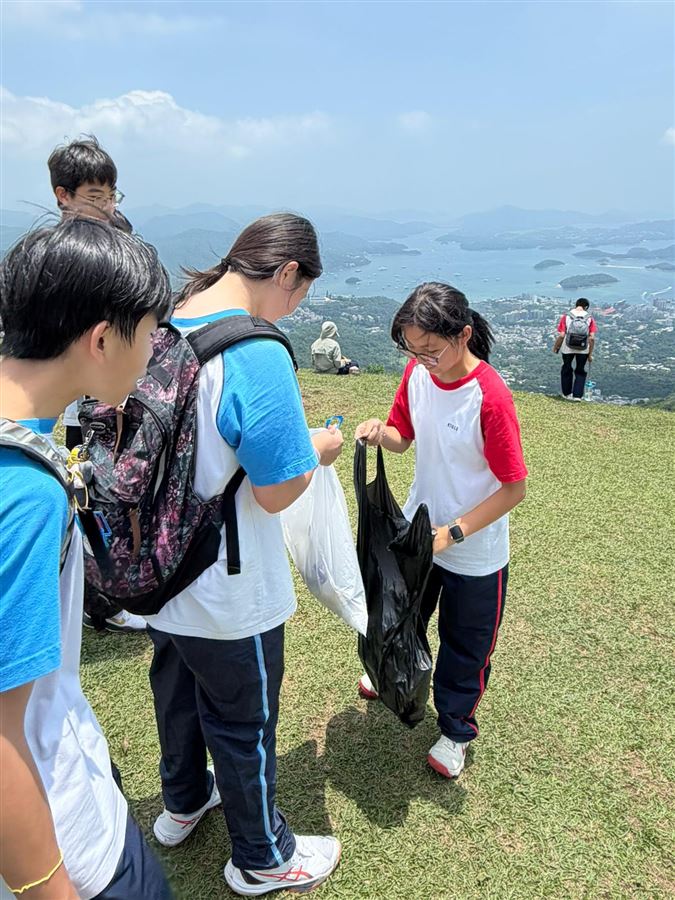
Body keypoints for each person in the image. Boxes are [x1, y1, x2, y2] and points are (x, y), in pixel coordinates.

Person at [143, 213, 343, 896]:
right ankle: (261, 856)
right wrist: (317, 448)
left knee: (176, 694)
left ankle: (182, 800)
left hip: (161, 569)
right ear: (286, 273)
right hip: (228, 583)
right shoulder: (254, 350)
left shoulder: (168, 324)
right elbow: (277, 489)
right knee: (243, 720)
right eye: (300, 293)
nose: (295, 308)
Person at [0, 217, 173, 898]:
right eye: (149, 334)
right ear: (101, 339)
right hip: (66, 836)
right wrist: (51, 888)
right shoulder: (24, 493)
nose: (152, 355)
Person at [355, 282, 527, 780]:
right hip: (419, 534)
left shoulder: (489, 397)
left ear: (464, 335)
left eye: (430, 350)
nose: (422, 360)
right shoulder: (417, 373)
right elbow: (403, 436)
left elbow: (514, 488)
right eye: (413, 350)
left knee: (465, 647)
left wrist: (453, 533)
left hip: (473, 550)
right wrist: (379, 432)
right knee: (400, 615)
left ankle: (455, 730)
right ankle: (388, 672)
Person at [47, 136, 146, 634]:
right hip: (81, 408)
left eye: (111, 196)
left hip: (104, 400)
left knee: (107, 496)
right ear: (62, 196)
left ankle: (105, 596)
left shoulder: (99, 246)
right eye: (94, 197)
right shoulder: (59, 262)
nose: (106, 207)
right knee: (90, 498)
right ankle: (102, 602)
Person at [552, 297, 597, 401]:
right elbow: (592, 338)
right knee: (580, 370)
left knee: (566, 368)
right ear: (586, 307)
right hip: (583, 348)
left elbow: (562, 335)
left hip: (567, 348)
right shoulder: (589, 318)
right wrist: (590, 354)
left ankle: (567, 394)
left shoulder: (567, 316)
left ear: (576, 305)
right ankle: (577, 396)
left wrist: (556, 347)